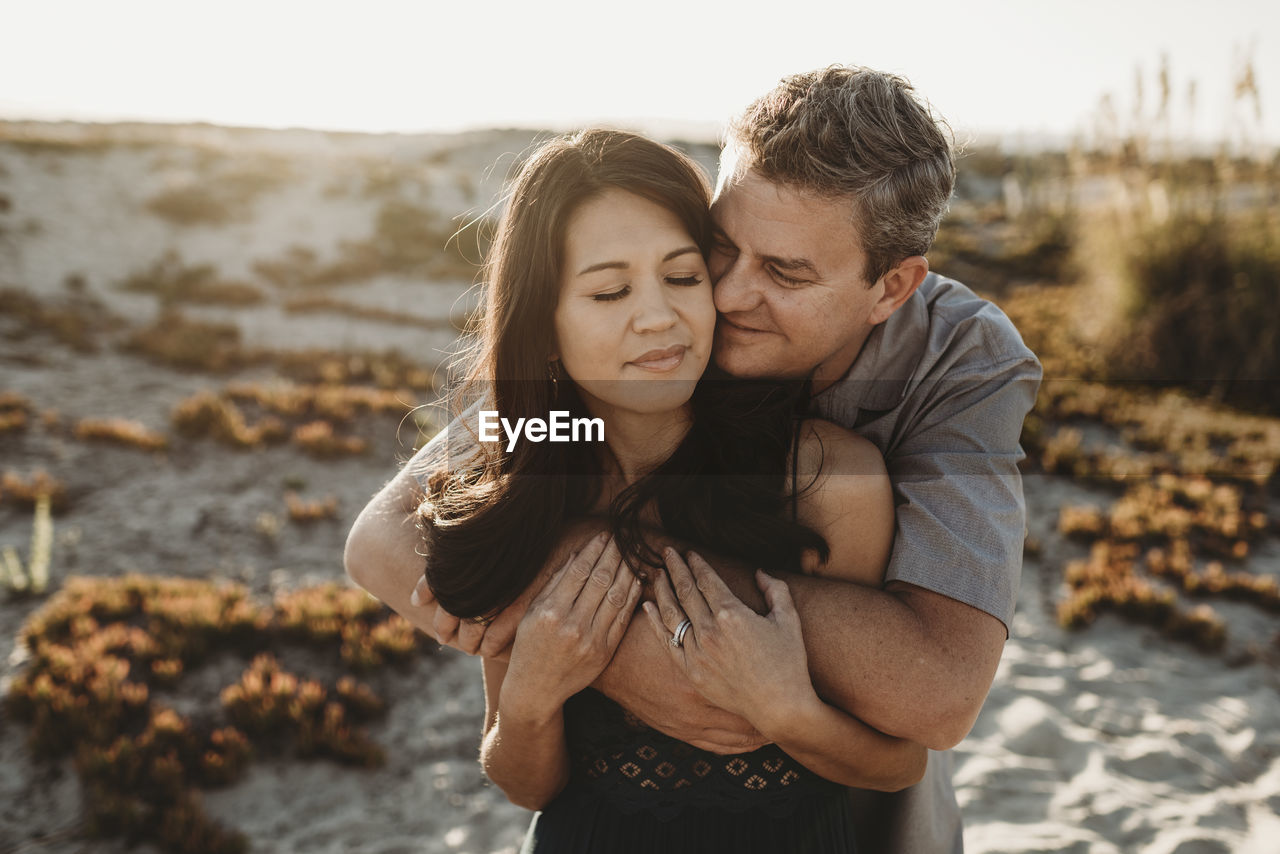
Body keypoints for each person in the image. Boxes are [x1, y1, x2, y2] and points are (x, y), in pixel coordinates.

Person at [347, 66, 1042, 853]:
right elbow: (390, 534)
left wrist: (608, 558)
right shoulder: (636, 356)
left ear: (892, 289)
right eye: (717, 249)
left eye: (785, 272)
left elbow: (935, 699)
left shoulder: (947, 376)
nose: (726, 295)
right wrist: (577, 649)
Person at [401, 128, 921, 851]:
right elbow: (527, 784)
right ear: (545, 324)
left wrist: (785, 709)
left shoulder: (827, 478)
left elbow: (898, 763)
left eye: (683, 277)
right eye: (610, 291)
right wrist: (530, 698)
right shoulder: (530, 481)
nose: (658, 317)